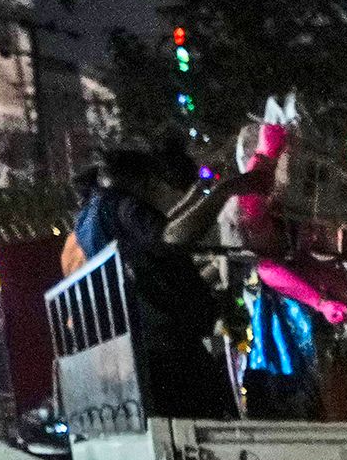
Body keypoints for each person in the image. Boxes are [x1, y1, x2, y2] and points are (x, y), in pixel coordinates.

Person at [70, 147, 248, 420]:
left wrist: (197, 196)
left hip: (143, 343)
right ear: (139, 181)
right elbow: (170, 237)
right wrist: (226, 192)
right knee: (208, 422)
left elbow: (155, 233)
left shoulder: (90, 214)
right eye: (152, 184)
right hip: (169, 344)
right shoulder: (123, 204)